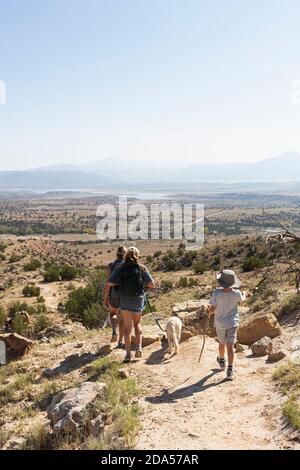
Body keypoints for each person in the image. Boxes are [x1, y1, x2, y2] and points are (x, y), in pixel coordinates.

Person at [107, 246, 155, 363]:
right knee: (137, 324)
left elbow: (110, 282)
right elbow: (151, 284)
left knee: (128, 328)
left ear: (126, 255)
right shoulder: (141, 267)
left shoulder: (120, 267)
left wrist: (120, 284)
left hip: (125, 300)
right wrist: (141, 285)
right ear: (137, 255)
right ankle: (139, 348)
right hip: (138, 299)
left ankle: (128, 355)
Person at [207, 269, 245, 380]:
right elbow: (242, 300)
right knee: (230, 346)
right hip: (233, 322)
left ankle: (222, 360)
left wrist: (208, 311)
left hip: (220, 323)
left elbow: (212, 308)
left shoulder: (216, 293)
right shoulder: (236, 293)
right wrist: (245, 294)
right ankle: (230, 370)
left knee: (222, 343)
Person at [104, 245, 127, 347]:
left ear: (116, 254)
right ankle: (120, 341)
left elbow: (108, 283)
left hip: (114, 293)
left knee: (112, 313)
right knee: (122, 318)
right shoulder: (128, 265)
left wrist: (105, 297)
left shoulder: (111, 265)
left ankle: (114, 331)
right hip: (126, 294)